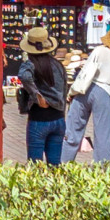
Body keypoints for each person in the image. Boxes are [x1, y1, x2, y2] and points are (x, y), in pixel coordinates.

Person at [69, 21, 110, 166]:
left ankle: (63, 164)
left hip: (86, 89)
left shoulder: (98, 50)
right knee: (103, 136)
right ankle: (103, 170)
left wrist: (72, 91)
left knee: (73, 129)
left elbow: (85, 73)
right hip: (106, 92)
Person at [11, 30, 69, 166]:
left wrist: (37, 96)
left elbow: (24, 76)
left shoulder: (30, 64)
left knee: (35, 164)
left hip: (39, 119)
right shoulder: (58, 65)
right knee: (55, 164)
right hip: (58, 118)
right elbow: (64, 90)